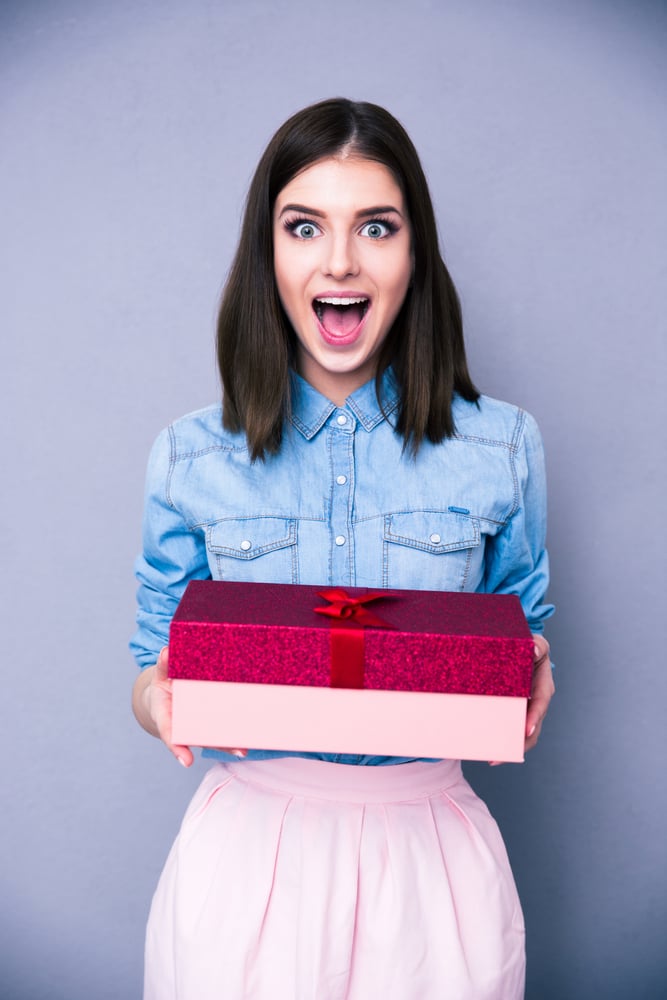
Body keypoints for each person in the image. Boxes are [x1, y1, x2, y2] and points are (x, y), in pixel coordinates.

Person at [131, 97, 555, 1000]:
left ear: (413, 253)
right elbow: (148, 661)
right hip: (247, 861)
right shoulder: (190, 455)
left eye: (375, 226)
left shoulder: (502, 448)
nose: (338, 261)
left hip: (431, 864)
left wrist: (532, 668)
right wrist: (157, 696)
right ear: (269, 254)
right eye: (303, 227)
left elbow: (525, 627)